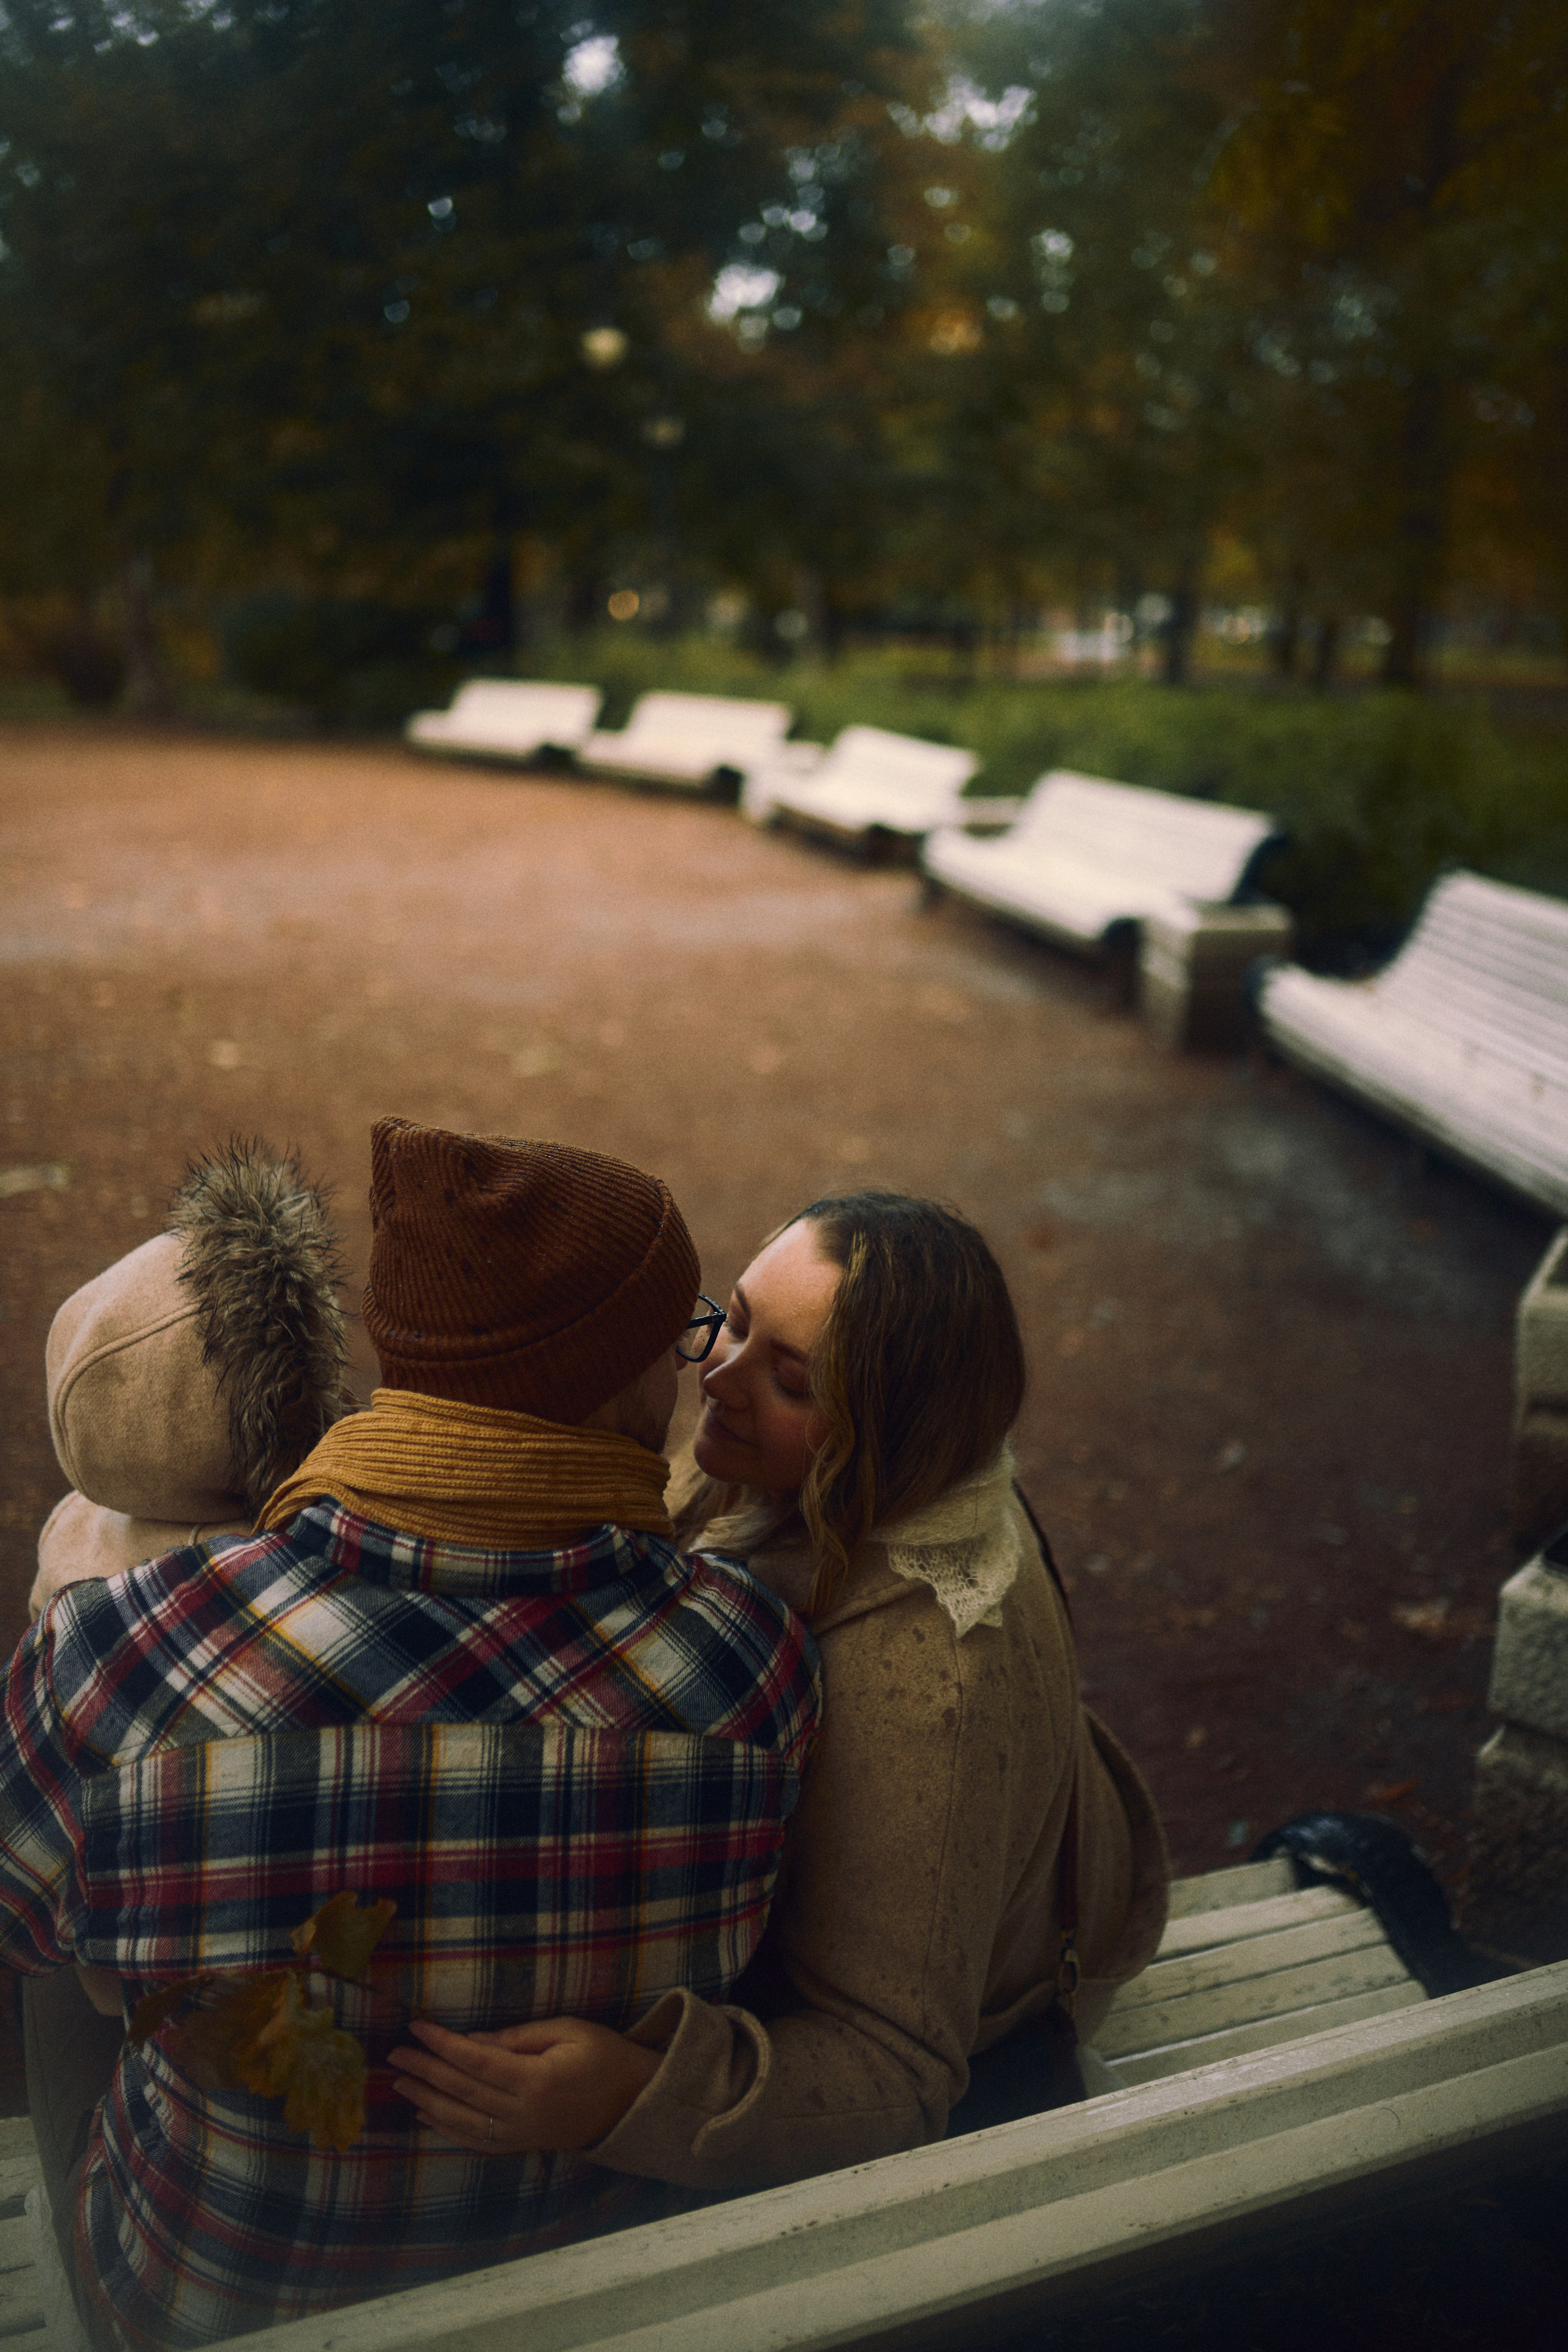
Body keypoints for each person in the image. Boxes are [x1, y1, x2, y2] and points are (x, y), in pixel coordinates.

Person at [0, 1120, 820, 2347]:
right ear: (619, 1378)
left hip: (207, 2299)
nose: (696, 1374)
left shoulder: (126, 1648)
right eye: (682, 1338)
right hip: (594, 2289)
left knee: (66, 1935)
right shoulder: (752, 1664)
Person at [388, 1191, 1168, 2193]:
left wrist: (632, 2090)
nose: (718, 1374)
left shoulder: (928, 1686)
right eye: (739, 1318)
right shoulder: (822, 1462)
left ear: (890, 1438)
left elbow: (898, 2067)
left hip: (1005, 2002)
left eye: (791, 1380)